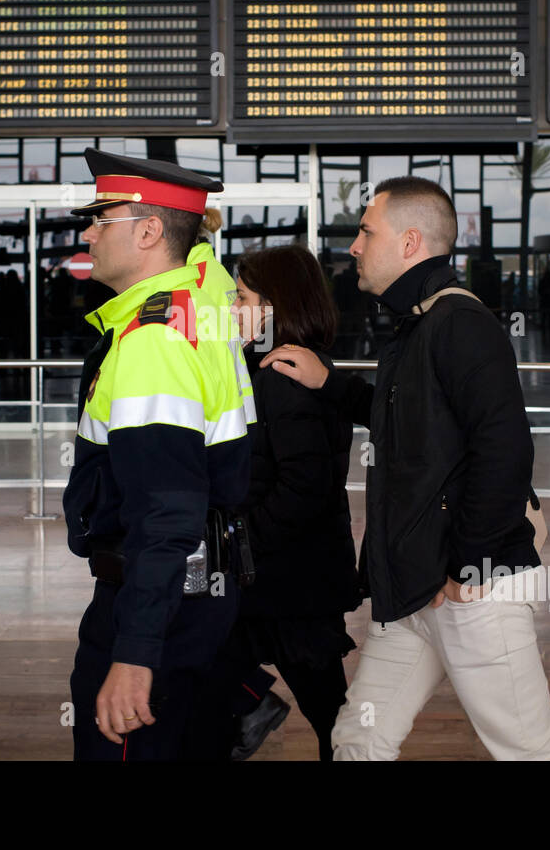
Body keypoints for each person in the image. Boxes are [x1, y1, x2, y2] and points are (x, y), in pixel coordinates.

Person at [260, 176, 550, 761]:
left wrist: (465, 567)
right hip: (414, 589)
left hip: (470, 592)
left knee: (532, 752)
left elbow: (504, 450)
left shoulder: (460, 324)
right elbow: (404, 430)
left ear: (410, 243)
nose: (354, 246)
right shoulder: (418, 326)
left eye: (366, 231)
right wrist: (330, 383)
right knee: (359, 737)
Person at [62, 148, 255, 761]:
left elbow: (165, 513)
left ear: (148, 231)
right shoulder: (202, 301)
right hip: (205, 596)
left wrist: (135, 653)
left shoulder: (153, 343)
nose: (87, 233)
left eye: (101, 219)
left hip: (157, 600)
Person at [191, 244, 359, 761]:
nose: (231, 308)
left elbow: (304, 487)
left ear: (274, 305)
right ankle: (250, 706)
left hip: (292, 585)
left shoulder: (284, 376)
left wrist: (239, 542)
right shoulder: (271, 366)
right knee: (209, 670)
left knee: (331, 714)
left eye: (241, 297)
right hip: (277, 580)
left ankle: (254, 708)